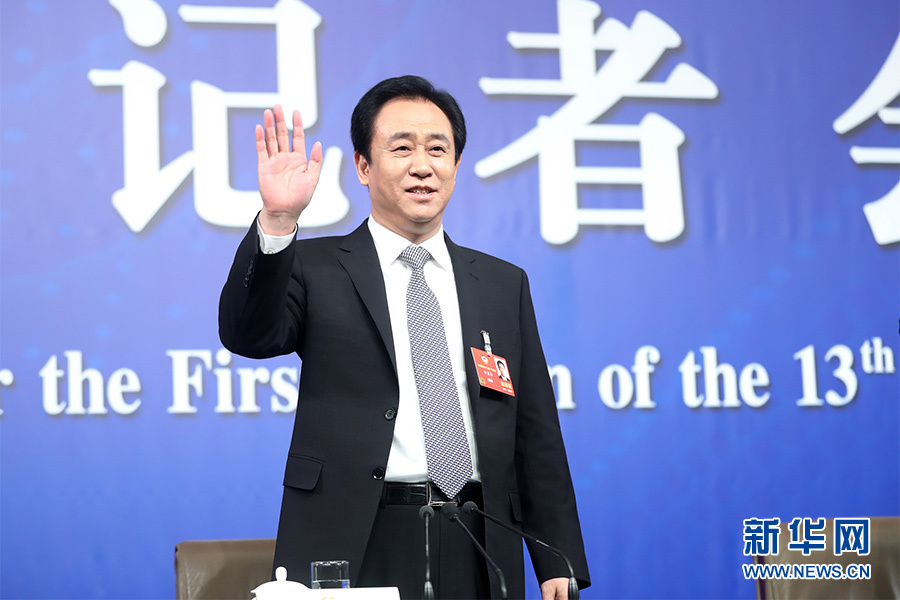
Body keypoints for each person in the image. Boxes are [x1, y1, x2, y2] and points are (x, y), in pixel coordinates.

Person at [219, 75, 589, 599]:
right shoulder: (316, 267)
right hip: (355, 534)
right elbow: (248, 335)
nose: (423, 165)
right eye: (402, 148)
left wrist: (556, 560)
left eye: (438, 149)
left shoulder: (502, 284)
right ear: (363, 167)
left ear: (456, 165)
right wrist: (278, 220)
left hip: (478, 535)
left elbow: (535, 432)